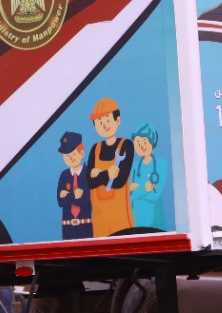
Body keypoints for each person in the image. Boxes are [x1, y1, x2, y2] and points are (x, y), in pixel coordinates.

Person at [86, 97, 134, 236]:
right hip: (99, 219)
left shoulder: (126, 145)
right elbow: (90, 182)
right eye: (99, 122)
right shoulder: (95, 149)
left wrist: (98, 174)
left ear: (117, 120)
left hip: (120, 218)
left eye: (107, 120)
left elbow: (119, 181)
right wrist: (107, 173)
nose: (104, 125)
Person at [128, 123, 166, 231]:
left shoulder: (160, 164)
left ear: (152, 141)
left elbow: (155, 194)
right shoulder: (134, 166)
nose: (141, 146)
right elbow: (129, 196)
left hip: (155, 218)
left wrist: (137, 189)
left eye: (144, 142)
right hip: (136, 218)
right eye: (137, 143)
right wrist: (145, 188)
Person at [55, 131, 92, 240]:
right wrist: (75, 195)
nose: (71, 158)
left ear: (81, 152)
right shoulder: (64, 175)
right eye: (67, 155)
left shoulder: (87, 172)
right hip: (67, 226)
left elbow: (87, 200)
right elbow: (60, 202)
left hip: (86, 225)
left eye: (74, 154)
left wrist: (67, 195)